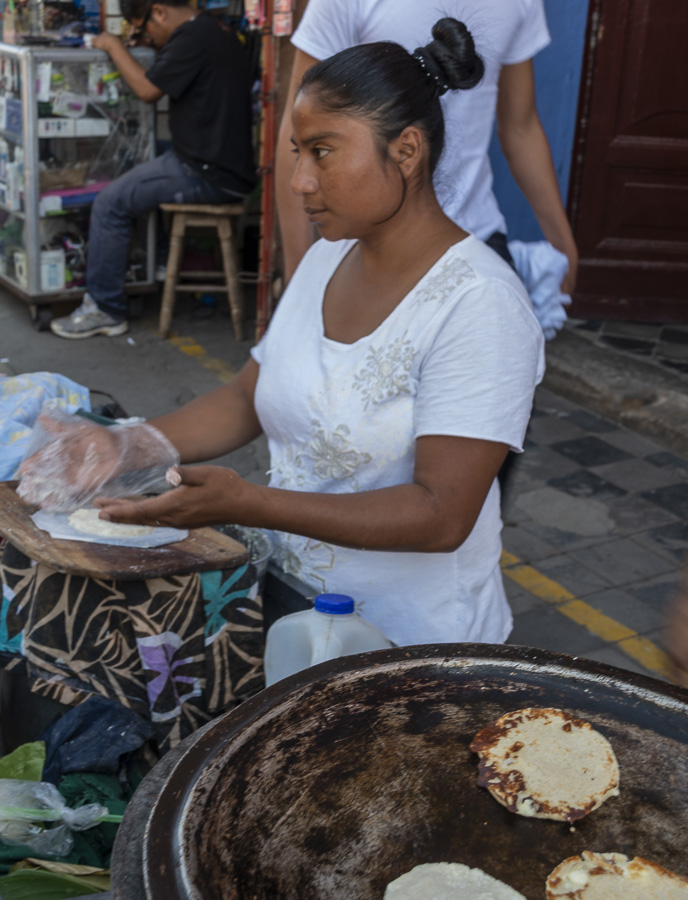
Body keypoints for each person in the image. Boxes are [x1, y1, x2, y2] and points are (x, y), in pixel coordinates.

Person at [20, 19, 545, 649]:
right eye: (297, 151)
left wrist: (246, 503)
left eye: (323, 150)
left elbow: (442, 514)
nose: (300, 182)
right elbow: (249, 397)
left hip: (412, 646)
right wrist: (128, 444)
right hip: (295, 614)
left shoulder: (479, 303)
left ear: (406, 150)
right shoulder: (331, 254)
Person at [276, 0, 578, 292]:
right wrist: (298, 277)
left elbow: (520, 126)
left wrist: (562, 240)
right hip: (363, 245)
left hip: (476, 234)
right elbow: (301, 129)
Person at [50, 0, 256, 340]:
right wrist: (146, 44)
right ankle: (158, 260)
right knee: (131, 159)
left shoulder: (192, 38)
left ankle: (105, 308)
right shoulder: (213, 29)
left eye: (142, 28)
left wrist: (115, 45)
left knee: (109, 203)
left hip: (207, 172)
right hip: (219, 162)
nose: (144, 35)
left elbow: (147, 90)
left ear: (158, 12)